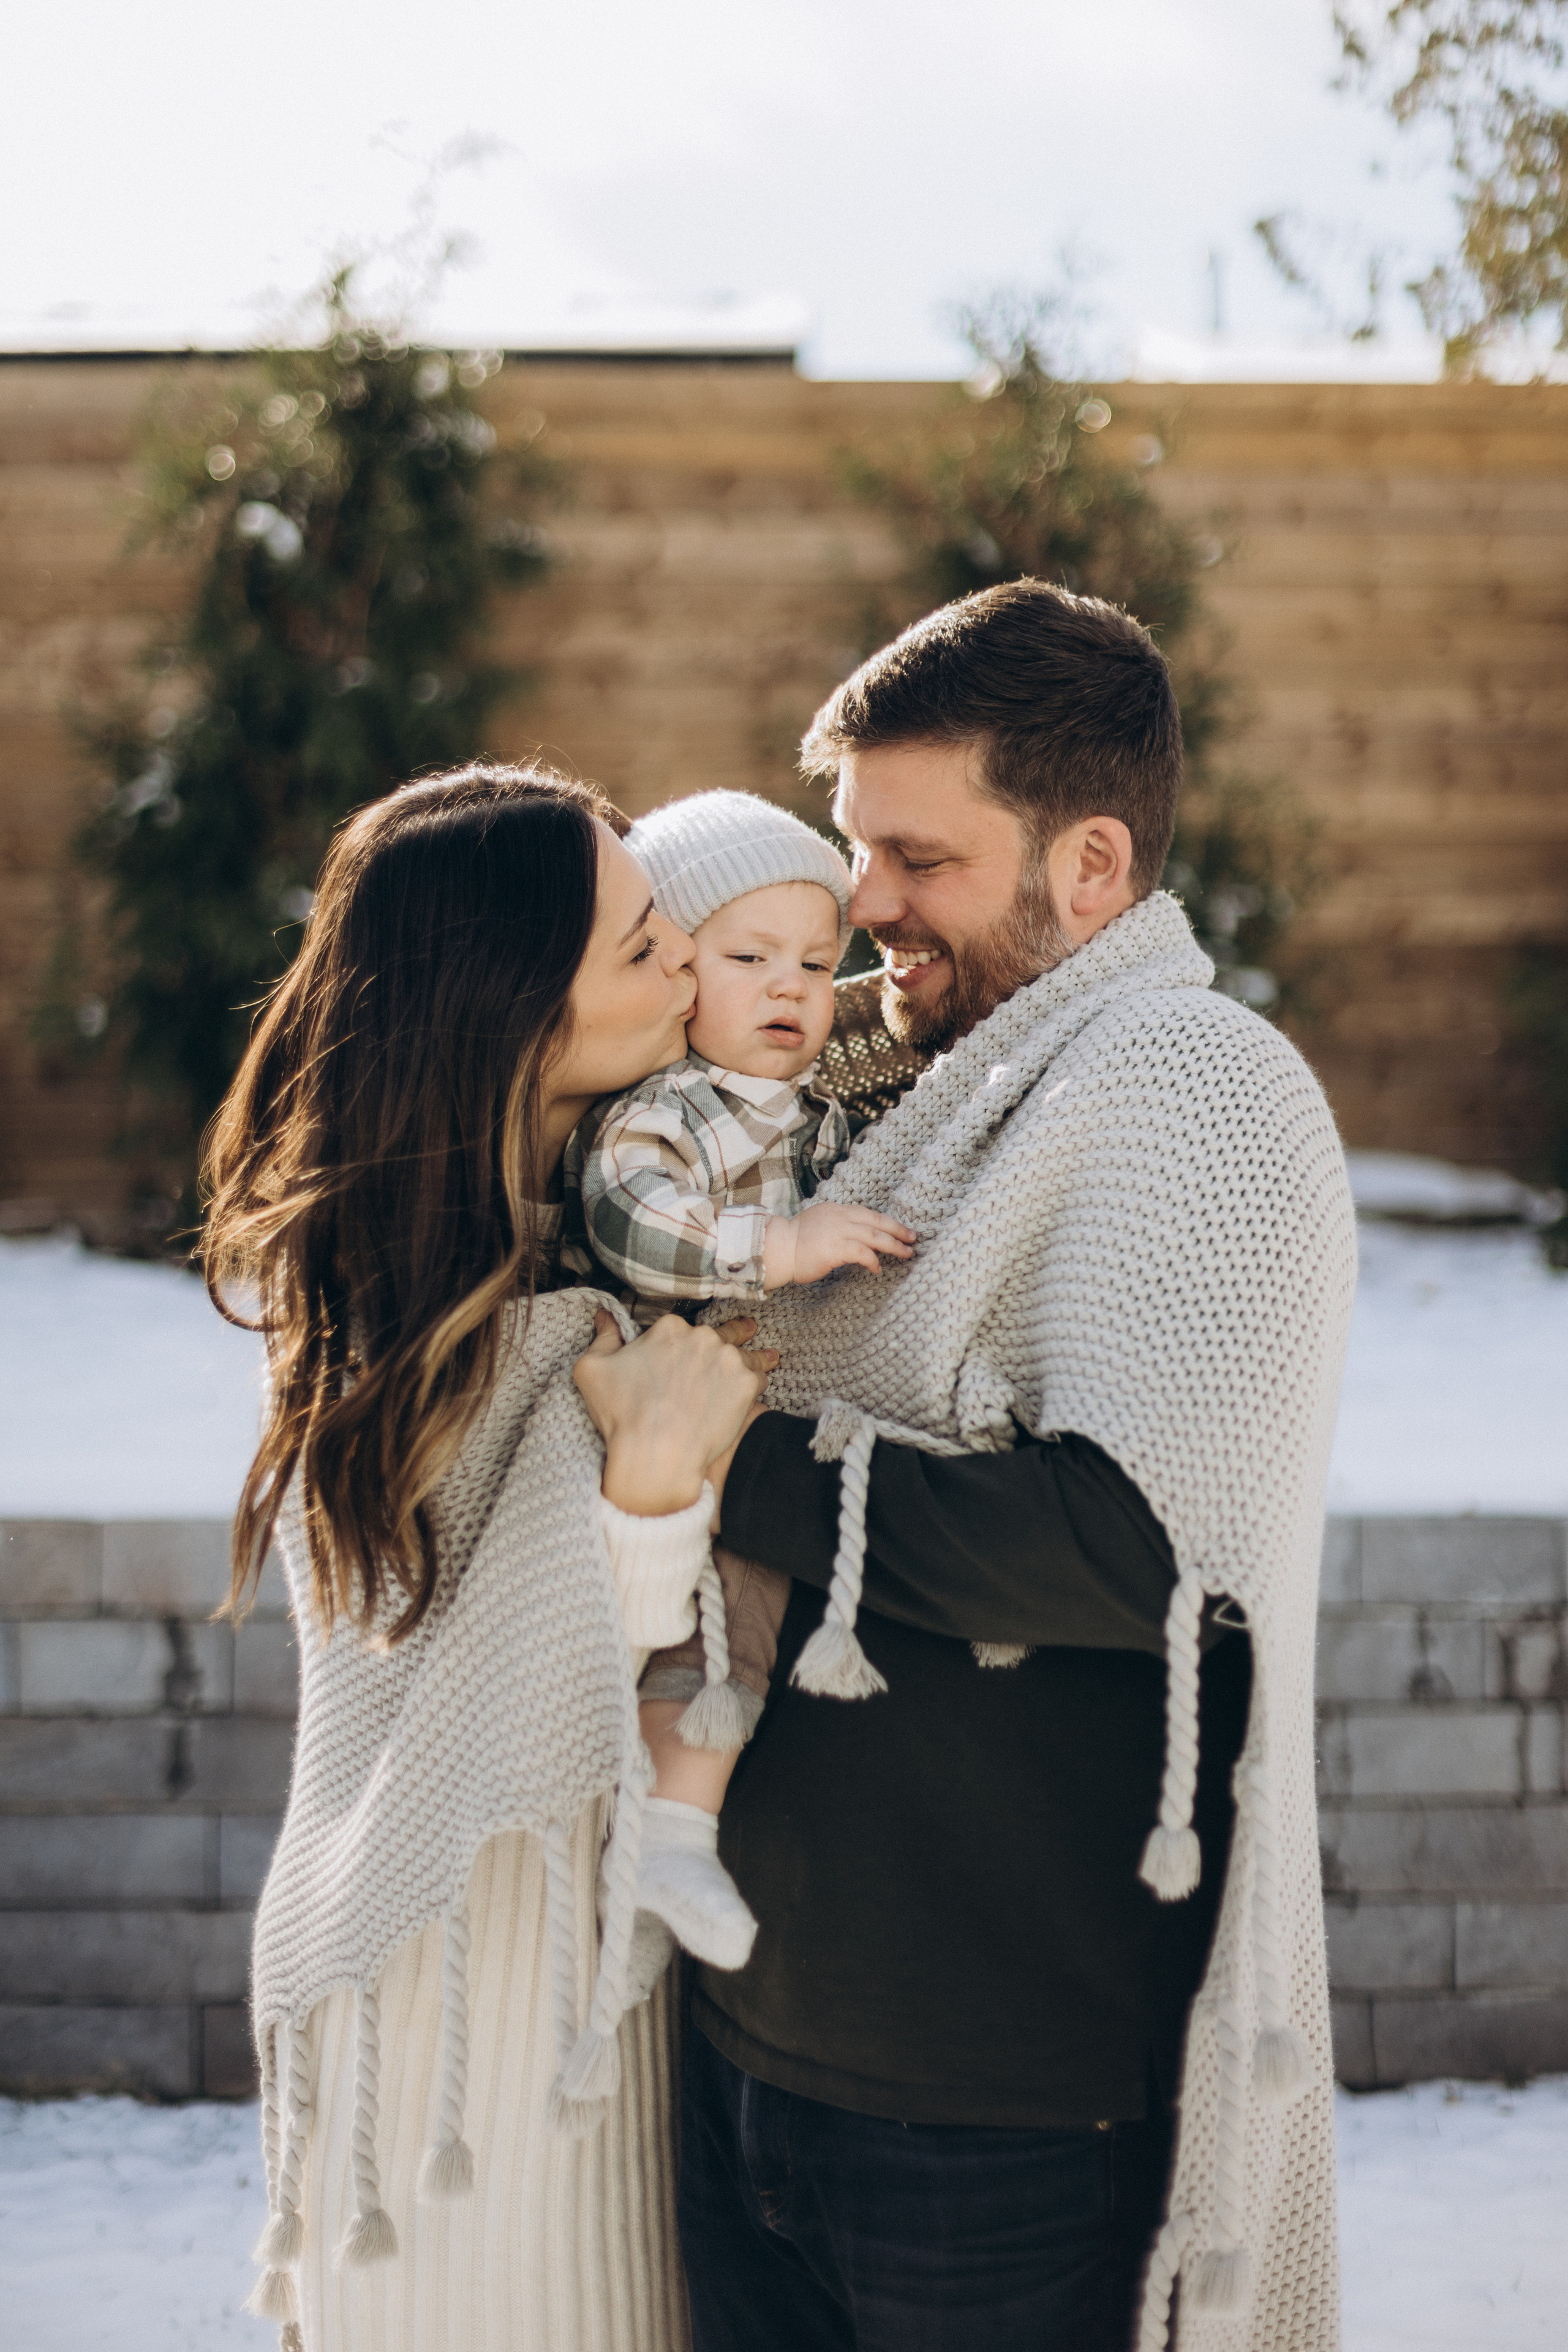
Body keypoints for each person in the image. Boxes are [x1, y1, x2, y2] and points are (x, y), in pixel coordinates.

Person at [668, 580, 1359, 2352]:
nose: (863, 904)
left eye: (920, 858)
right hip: (746, 2040)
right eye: (856, 850)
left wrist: (716, 1450)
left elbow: (1142, 1549)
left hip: (1003, 2116)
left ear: (1092, 866)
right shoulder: (872, 1090)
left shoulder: (1197, 1087)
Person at [207, 763, 769, 2352]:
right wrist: (648, 1489)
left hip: (582, 1959)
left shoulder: (592, 1232)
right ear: (513, 1012)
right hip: (463, 1986)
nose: (688, 960)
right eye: (642, 945)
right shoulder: (399, 1303)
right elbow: (469, 1685)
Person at [564, 790, 914, 1992]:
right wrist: (779, 1246)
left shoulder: (809, 1103)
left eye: (815, 964)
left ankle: (673, 1837)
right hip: (666, 1415)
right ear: (675, 970)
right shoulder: (667, 1107)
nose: (790, 990)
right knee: (682, 1626)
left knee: (740, 1632)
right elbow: (627, 1219)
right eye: (749, 959)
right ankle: (655, 1838)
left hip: (756, 1432)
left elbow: (890, 1080)